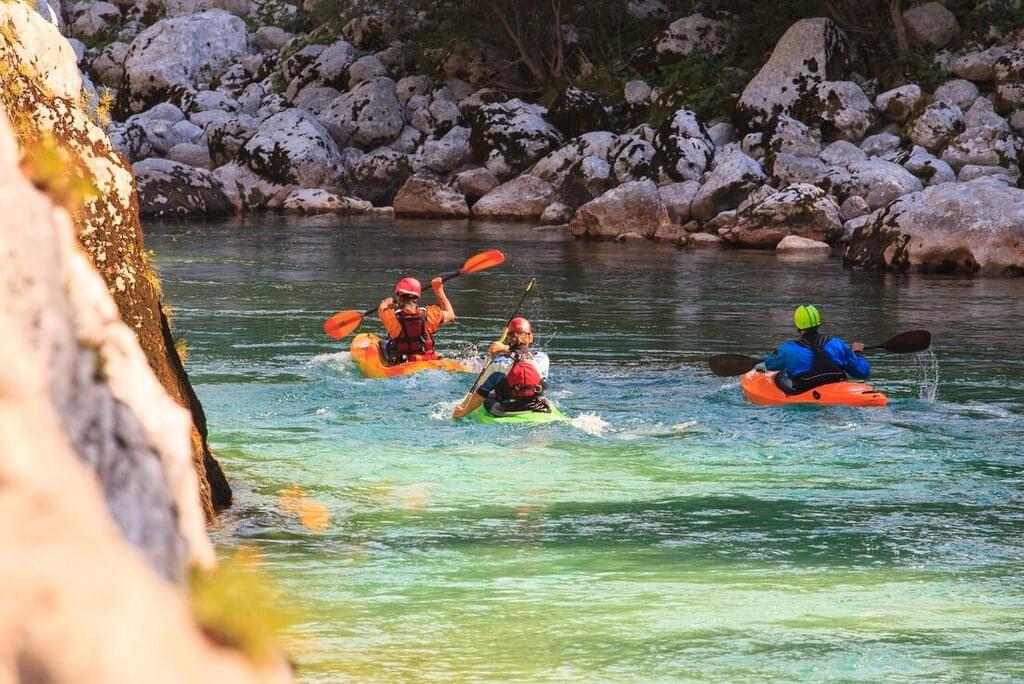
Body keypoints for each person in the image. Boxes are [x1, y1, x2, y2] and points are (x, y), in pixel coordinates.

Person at [452, 317, 551, 419]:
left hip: (506, 410)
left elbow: (479, 397)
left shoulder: (499, 364)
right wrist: (505, 349)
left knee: (489, 393)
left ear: (508, 338)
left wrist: (461, 413)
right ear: (530, 337)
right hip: (536, 406)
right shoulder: (542, 359)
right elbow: (524, 357)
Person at [763, 305, 870, 395]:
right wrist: (858, 353)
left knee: (781, 375)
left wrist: (773, 355)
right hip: (838, 391)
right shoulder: (837, 344)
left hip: (808, 394)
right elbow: (862, 372)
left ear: (797, 325)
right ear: (818, 323)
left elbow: (770, 365)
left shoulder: (788, 350)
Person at [377, 276, 455, 364]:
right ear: (417, 297)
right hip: (430, 362)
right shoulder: (430, 314)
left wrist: (385, 303)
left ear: (399, 296)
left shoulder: (392, 318)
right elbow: (451, 315)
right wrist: (438, 290)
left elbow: (381, 310)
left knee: (383, 344)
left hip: (404, 364)